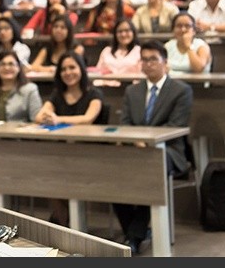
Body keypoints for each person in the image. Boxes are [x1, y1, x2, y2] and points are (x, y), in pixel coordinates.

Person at [111, 39, 193, 255]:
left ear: (165, 62)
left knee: (152, 168)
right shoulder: (133, 91)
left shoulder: (181, 90)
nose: (148, 64)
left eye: (153, 60)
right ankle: (135, 231)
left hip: (168, 150)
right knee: (110, 172)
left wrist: (146, 143)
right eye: (144, 60)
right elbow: (126, 124)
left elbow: (175, 126)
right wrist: (134, 141)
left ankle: (134, 235)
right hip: (135, 148)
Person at [34, 52, 104, 226]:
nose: (68, 72)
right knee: (46, 171)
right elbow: (38, 116)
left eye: (72, 67)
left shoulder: (94, 93)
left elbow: (87, 118)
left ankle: (64, 222)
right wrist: (48, 117)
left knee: (59, 170)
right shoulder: (57, 94)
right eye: (63, 69)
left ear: (81, 69)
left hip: (88, 154)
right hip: (61, 153)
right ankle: (63, 220)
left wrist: (59, 119)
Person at [0, 50, 43, 121]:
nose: (6, 68)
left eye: (11, 64)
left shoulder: (30, 89)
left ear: (19, 68)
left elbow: (36, 120)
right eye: (2, 64)